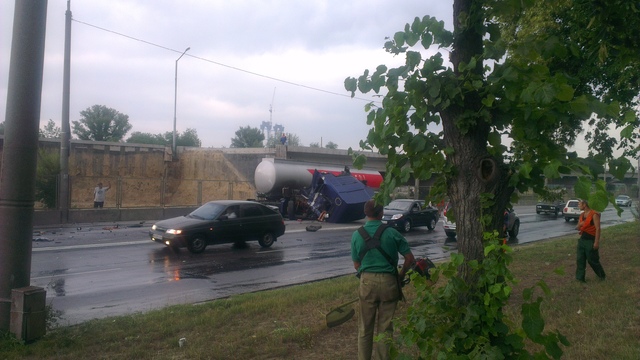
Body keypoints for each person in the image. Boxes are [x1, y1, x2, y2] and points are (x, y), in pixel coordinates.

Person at [350, 199, 415, 360]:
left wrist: (366, 275)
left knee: (365, 328)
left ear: (366, 213)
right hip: (389, 282)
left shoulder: (357, 235)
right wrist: (401, 276)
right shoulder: (392, 232)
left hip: (367, 283)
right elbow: (409, 259)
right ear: (381, 213)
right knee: (385, 328)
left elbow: (356, 264)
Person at [575, 199, 606, 282]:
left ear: (584, 204)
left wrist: (596, 242)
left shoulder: (594, 214)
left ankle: (601, 276)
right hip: (582, 240)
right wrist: (580, 225)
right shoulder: (581, 215)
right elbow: (577, 228)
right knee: (580, 259)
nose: (578, 205)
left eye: (579, 203)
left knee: (592, 260)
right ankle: (580, 279)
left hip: (590, 240)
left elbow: (598, 229)